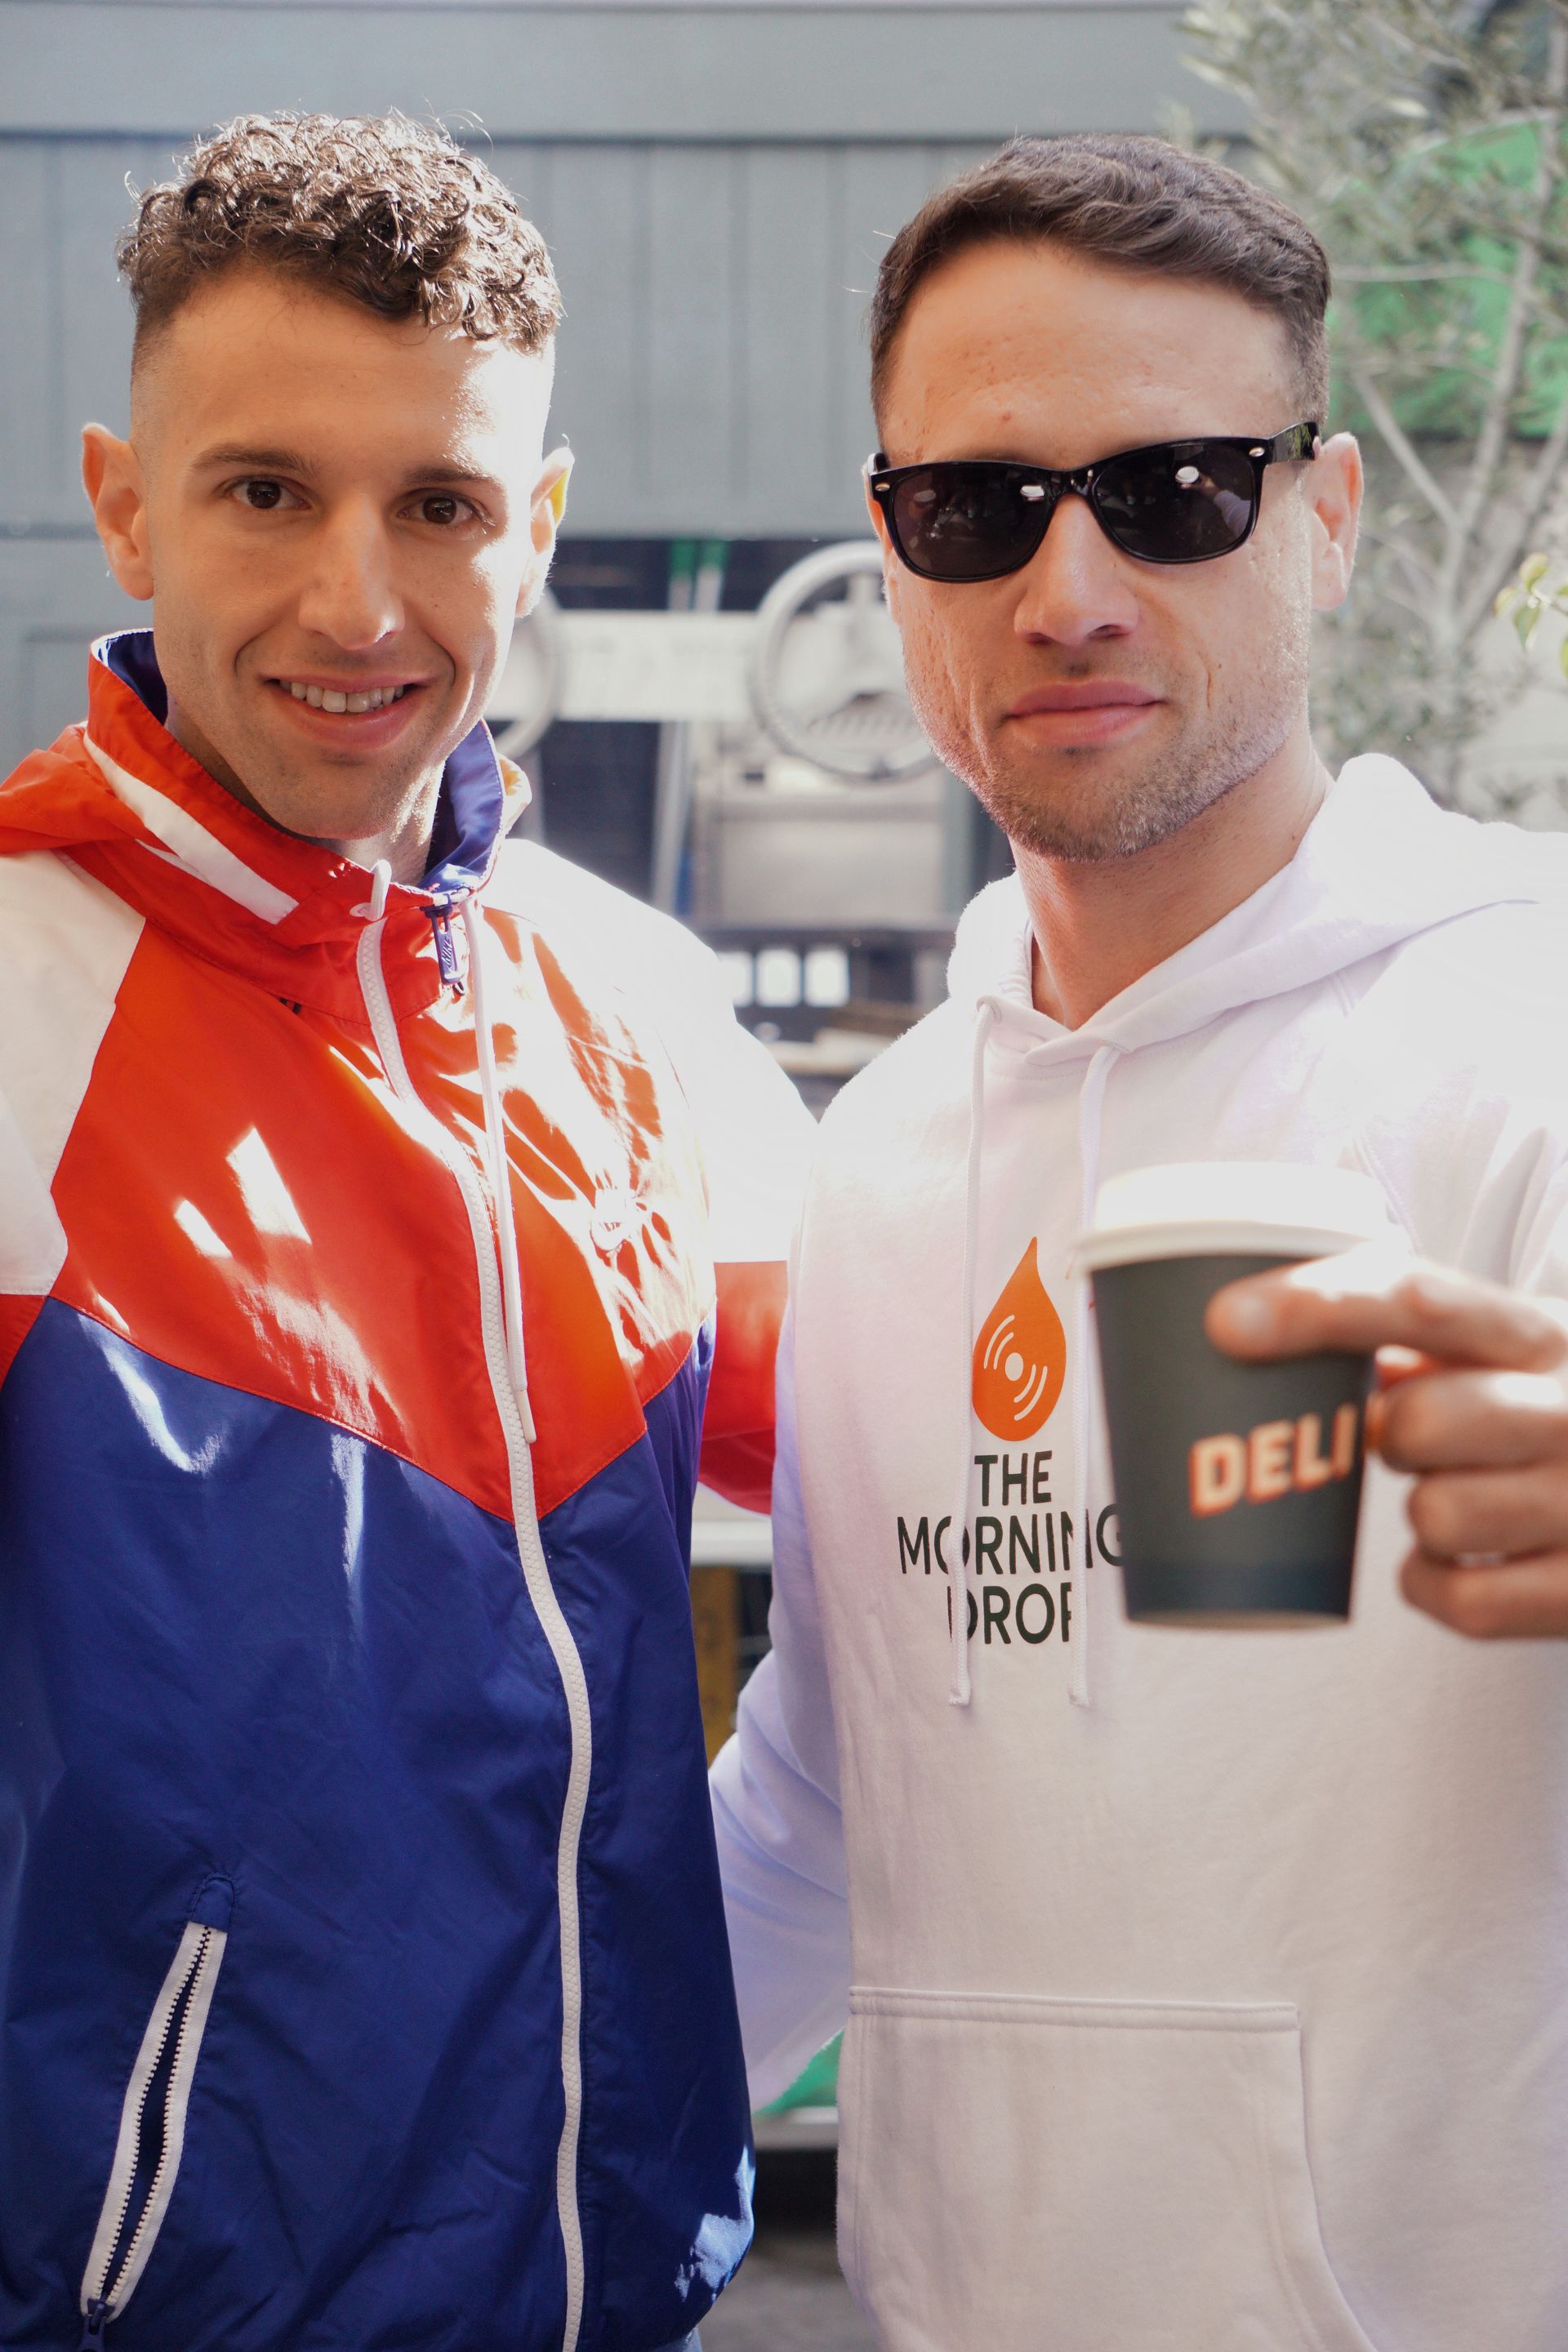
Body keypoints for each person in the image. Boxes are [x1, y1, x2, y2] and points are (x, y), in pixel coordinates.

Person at [712, 135, 1568, 2352]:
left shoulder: (1533, 1030)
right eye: (976, 508)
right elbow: (822, 1810)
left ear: (1330, 517)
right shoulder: (886, 1150)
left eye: (1177, 491)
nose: (1067, 588)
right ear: (893, 554)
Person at [0, 112, 815, 2352]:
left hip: (615, 2300)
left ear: (534, 529)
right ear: (125, 505)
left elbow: (948, 1476)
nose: (359, 604)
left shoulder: (640, 1002)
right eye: (267, 490)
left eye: (440, 506)